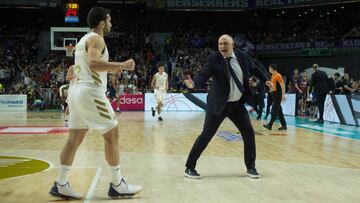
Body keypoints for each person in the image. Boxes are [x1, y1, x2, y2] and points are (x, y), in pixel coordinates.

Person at [49, 7, 142, 200]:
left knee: (74, 139)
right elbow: (93, 64)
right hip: (90, 92)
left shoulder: (84, 40)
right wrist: (122, 65)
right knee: (112, 135)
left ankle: (61, 183)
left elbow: (87, 66)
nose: (111, 24)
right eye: (109, 21)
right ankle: (117, 184)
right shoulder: (96, 39)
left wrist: (111, 70)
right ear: (101, 23)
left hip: (77, 91)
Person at [183, 34, 269, 179]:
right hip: (218, 104)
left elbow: (255, 69)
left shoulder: (242, 57)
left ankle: (251, 167)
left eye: (225, 44)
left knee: (248, 133)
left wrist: (266, 80)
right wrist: (194, 84)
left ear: (232, 45)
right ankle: (189, 167)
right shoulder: (214, 59)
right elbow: (203, 74)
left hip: (237, 104)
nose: (222, 46)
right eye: (220, 44)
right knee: (206, 135)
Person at [263, 64, 287, 130]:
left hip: (278, 95)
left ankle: (270, 125)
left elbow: (283, 85)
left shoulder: (278, 75)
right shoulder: (273, 76)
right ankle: (284, 125)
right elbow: (273, 87)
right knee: (279, 111)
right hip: (274, 94)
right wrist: (269, 86)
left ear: (272, 68)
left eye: (269, 68)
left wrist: (283, 95)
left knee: (274, 110)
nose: (269, 70)